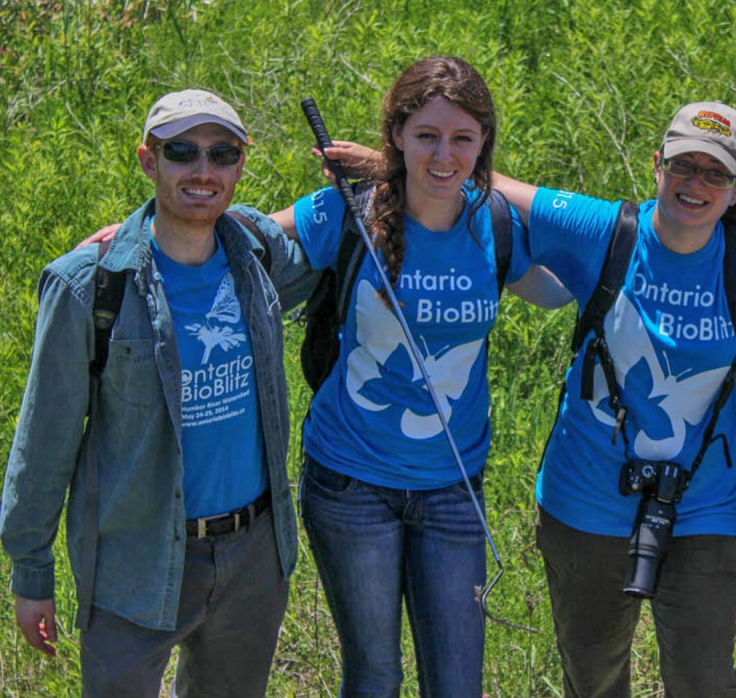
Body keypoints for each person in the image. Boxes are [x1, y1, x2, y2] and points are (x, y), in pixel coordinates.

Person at [490, 101, 736, 698]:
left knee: (704, 682)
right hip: (586, 496)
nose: (695, 184)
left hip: (703, 501)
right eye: (682, 166)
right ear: (657, 165)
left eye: (715, 173)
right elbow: (477, 174)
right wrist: (392, 162)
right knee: (592, 679)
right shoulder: (604, 231)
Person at [268, 56, 569, 698]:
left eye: (464, 139)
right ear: (396, 131)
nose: (444, 154)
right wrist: (139, 235)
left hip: (453, 490)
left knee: (457, 683)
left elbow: (561, 292)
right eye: (426, 135)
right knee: (375, 676)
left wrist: (475, 182)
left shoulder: (491, 224)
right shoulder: (347, 212)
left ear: (485, 144)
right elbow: (245, 241)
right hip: (351, 484)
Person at [1, 89, 313, 697]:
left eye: (222, 153)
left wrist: (386, 164)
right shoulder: (89, 286)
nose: (203, 170)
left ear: (241, 163)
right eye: (182, 152)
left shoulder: (258, 258)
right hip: (133, 557)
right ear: (149, 161)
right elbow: (46, 439)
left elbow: (349, 220)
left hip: (252, 556)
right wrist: (30, 570)